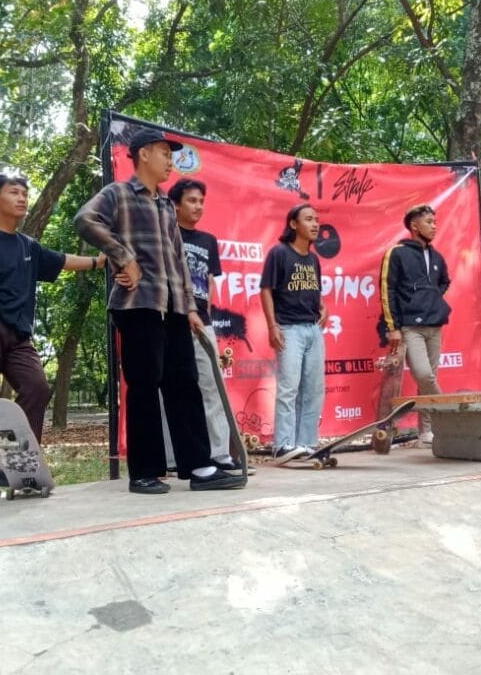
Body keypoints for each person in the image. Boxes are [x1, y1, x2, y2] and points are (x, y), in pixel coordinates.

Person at [74, 128, 242, 493]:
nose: (171, 161)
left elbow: (179, 261)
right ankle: (144, 472)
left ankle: (199, 467)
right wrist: (124, 257)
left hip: (175, 309)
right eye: (165, 153)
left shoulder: (167, 204)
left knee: (185, 384)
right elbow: (85, 220)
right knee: (144, 387)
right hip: (137, 305)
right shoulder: (118, 193)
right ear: (144, 154)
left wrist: (191, 308)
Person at [0, 174, 107, 500]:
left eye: (24, 194)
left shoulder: (27, 245)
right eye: (13, 192)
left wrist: (98, 262)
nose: (21, 198)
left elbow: (61, 261)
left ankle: (18, 466)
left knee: (36, 387)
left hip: (18, 335)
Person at [161, 178, 245, 472]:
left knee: (212, 387)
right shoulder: (166, 235)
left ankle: (220, 454)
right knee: (172, 390)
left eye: (201, 201)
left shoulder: (208, 240)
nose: (198, 207)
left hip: (201, 322)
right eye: (191, 201)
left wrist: (206, 316)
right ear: (175, 205)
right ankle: (173, 459)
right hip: (170, 320)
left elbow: (209, 282)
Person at [379, 204, 451, 444]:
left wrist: (431, 299)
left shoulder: (437, 256)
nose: (434, 226)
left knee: (427, 379)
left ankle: (426, 432)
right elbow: (387, 289)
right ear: (414, 226)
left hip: (435, 326)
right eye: (429, 222)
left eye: (435, 222)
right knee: (424, 375)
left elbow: (444, 282)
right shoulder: (397, 253)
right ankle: (450, 413)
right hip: (410, 326)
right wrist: (393, 327)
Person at [260, 203, 326, 459]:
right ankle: (283, 445)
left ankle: (306, 444)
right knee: (289, 388)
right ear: (293, 224)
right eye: (309, 219)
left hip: (313, 329)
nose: (315, 224)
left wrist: (324, 307)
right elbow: (266, 290)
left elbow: (314, 291)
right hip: (289, 328)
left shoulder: (314, 259)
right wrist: (272, 325)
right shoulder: (279, 253)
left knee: (313, 389)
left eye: (316, 219)